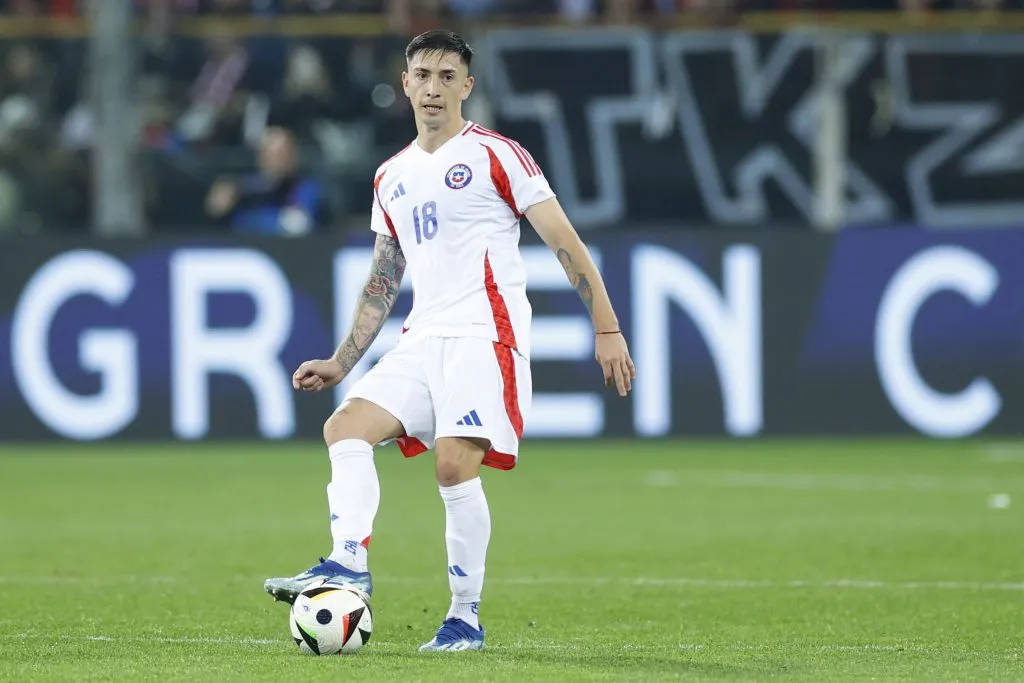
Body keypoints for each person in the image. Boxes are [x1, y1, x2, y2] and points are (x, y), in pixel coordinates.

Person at [263, 29, 635, 652]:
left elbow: (564, 241)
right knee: (344, 429)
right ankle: (347, 562)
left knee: (452, 463)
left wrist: (606, 327)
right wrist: (340, 360)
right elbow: (384, 280)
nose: (433, 88)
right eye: (422, 75)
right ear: (404, 84)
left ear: (467, 86)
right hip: (423, 336)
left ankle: (465, 616)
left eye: (446, 76)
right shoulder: (391, 176)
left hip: (485, 334)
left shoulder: (497, 154)